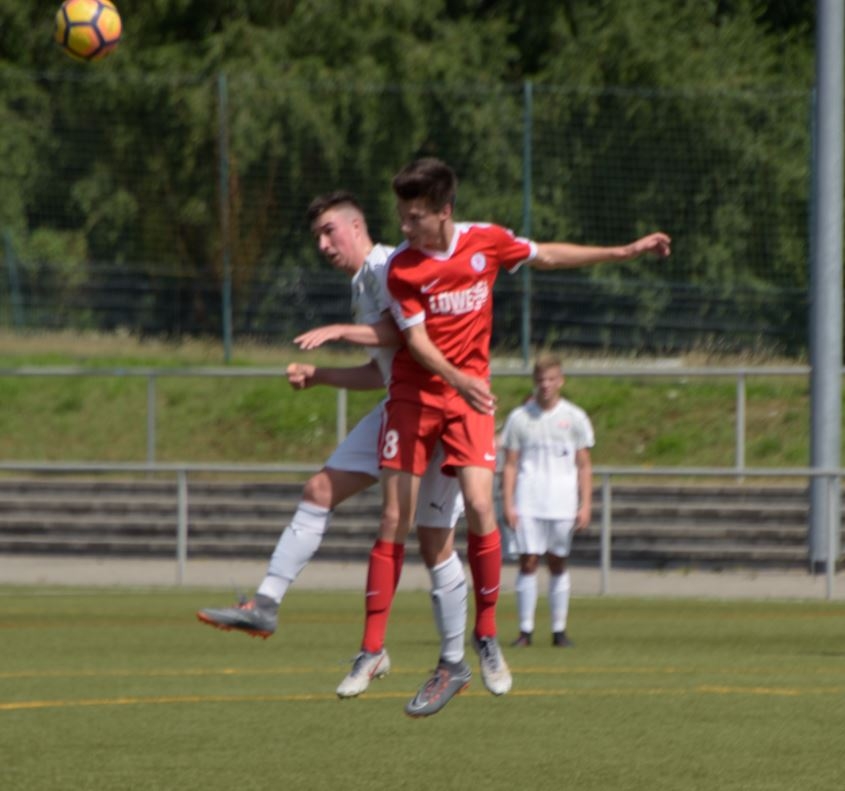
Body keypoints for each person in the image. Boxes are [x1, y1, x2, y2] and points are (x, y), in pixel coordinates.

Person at [378, 156, 671, 717]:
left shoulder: (485, 242)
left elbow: (548, 255)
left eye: (414, 216)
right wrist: (458, 376)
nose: (405, 226)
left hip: (471, 401)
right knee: (421, 531)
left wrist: (622, 251)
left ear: (445, 211)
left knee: (482, 506)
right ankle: (430, 655)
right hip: (428, 397)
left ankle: (486, 638)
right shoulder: (401, 267)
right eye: (401, 216)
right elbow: (415, 343)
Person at [196, 191, 466, 701]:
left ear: (357, 227)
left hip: (439, 409)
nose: (322, 244)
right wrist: (320, 376)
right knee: (319, 489)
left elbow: (411, 335)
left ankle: (454, 660)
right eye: (317, 236)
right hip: (397, 405)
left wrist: (344, 330)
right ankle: (267, 606)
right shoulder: (363, 284)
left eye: (328, 232)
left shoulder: (390, 266)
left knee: (434, 545)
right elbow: (381, 367)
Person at [500, 355, 594, 648]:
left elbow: (584, 464)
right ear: (534, 382)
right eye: (541, 380)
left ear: (561, 381)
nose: (546, 385)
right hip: (528, 499)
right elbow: (511, 464)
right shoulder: (519, 418)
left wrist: (585, 503)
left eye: (551, 379)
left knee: (557, 561)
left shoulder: (574, 417)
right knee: (528, 561)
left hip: (562, 501)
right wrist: (507, 503)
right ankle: (525, 631)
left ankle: (558, 630)